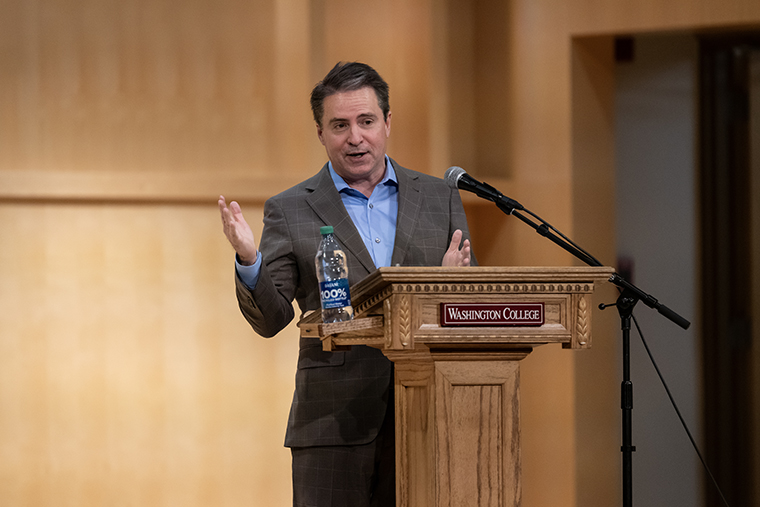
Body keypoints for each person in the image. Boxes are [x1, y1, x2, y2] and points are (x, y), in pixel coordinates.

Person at [218, 61, 473, 507]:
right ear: (321, 133)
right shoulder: (291, 208)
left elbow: (465, 317)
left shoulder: (440, 198)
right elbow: (272, 318)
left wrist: (450, 287)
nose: (355, 137)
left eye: (366, 121)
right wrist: (248, 259)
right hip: (331, 421)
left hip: (428, 413)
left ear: (388, 124)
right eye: (339, 125)